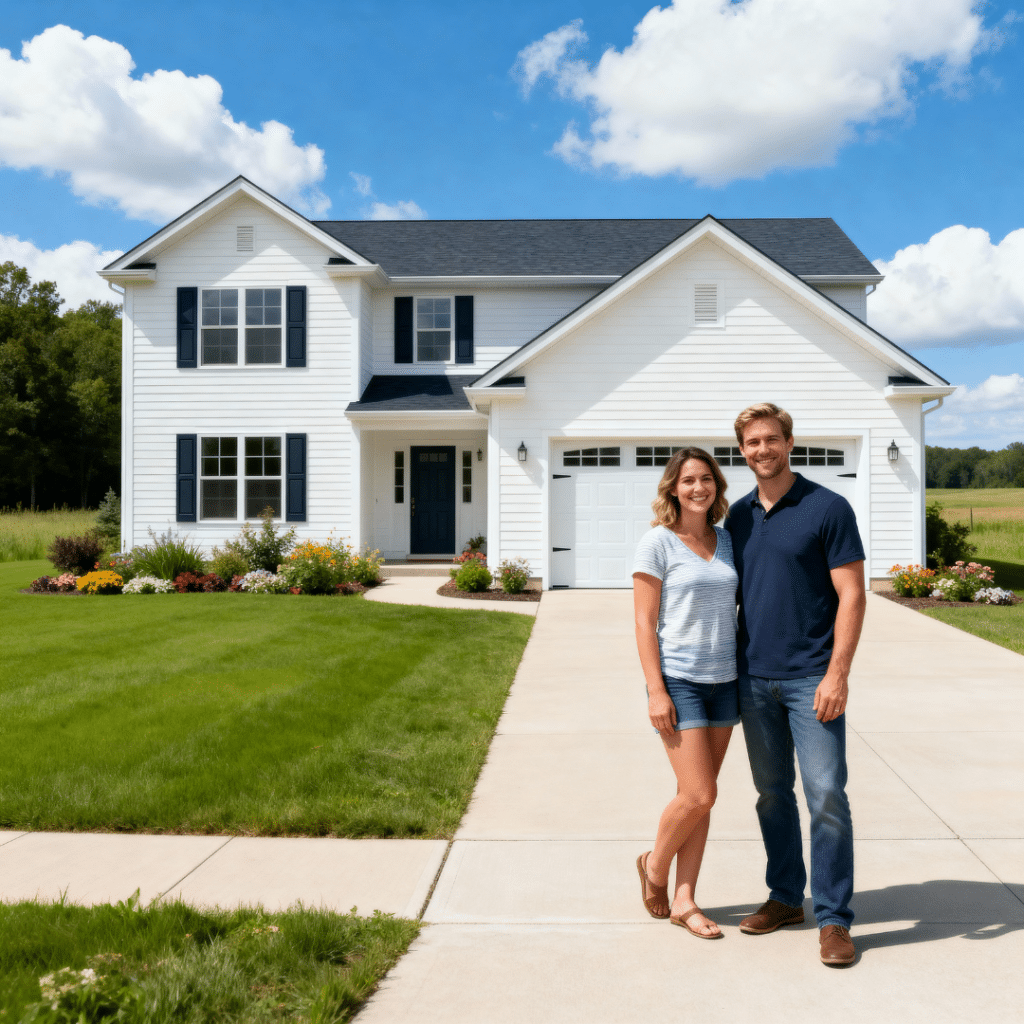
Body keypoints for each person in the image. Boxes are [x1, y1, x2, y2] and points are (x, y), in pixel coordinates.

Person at [725, 403, 866, 967]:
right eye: (752, 442)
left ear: (789, 442)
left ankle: (834, 919)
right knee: (772, 794)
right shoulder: (737, 516)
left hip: (812, 679)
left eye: (771, 439)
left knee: (827, 795)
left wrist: (838, 673)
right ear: (742, 451)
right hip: (754, 679)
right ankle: (786, 898)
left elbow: (852, 594)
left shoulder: (828, 507)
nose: (762, 449)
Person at [632, 447, 739, 939]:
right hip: (679, 680)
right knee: (700, 793)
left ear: (717, 486)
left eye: (707, 479)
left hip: (726, 680)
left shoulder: (728, 540)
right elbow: (644, 621)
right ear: (673, 488)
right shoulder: (657, 542)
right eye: (689, 480)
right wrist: (656, 690)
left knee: (698, 798)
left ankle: (684, 900)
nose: (699, 488)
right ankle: (654, 867)